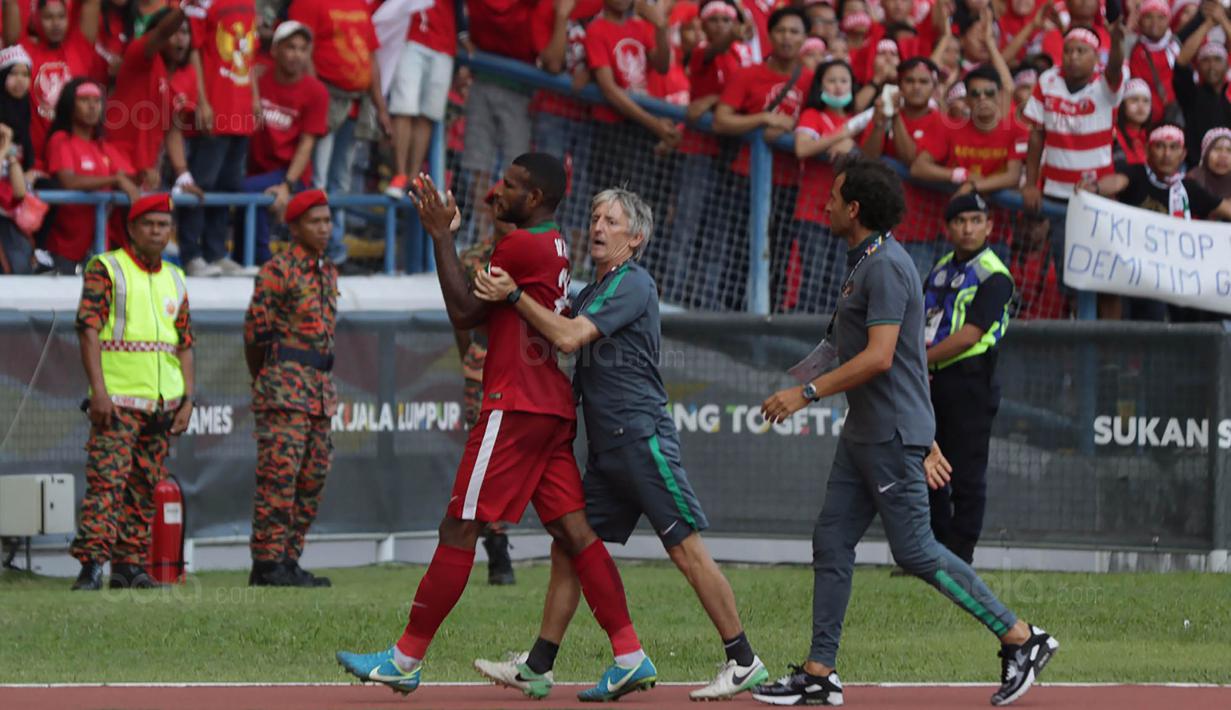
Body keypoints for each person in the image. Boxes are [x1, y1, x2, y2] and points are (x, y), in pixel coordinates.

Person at [336, 155, 654, 700]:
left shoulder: (520, 246)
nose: (496, 192)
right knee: (574, 535)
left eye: (509, 186)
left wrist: (439, 235)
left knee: (459, 526)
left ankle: (404, 659)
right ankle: (629, 653)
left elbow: (463, 311)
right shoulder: (553, 243)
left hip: (515, 404)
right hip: (549, 404)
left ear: (533, 198)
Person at [753, 158, 1058, 708]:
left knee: (916, 550)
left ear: (855, 209)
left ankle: (1021, 636)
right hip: (866, 432)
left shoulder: (886, 266)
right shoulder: (864, 261)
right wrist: (798, 384)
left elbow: (881, 356)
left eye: (833, 196)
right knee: (831, 540)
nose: (823, 204)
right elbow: (866, 352)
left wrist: (807, 394)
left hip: (888, 433)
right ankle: (821, 672)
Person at [469, 187, 768, 702]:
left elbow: (565, 338)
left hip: (641, 440)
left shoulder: (634, 283)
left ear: (637, 238)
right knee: (569, 548)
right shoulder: (594, 289)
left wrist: (514, 295)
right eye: (595, 218)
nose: (599, 228)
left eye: (611, 221)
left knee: (686, 550)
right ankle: (539, 665)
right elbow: (554, 327)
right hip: (610, 450)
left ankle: (743, 660)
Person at [68, 194, 194, 591]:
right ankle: (91, 566)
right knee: (107, 483)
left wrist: (188, 399)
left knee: (144, 486)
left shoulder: (176, 276)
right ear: (132, 229)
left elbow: (185, 341)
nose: (158, 231)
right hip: (118, 399)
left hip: (161, 402)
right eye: (149, 224)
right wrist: (99, 392)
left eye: (164, 225)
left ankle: (129, 567)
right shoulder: (107, 268)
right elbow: (88, 329)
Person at [242, 189, 338, 588]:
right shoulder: (277, 270)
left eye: (328, 221)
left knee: (313, 475)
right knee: (279, 476)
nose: (324, 228)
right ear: (295, 227)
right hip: (284, 387)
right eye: (315, 222)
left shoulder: (329, 271)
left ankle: (289, 558)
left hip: (318, 390)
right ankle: (267, 563)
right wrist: (266, 379)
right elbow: (254, 335)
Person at [922, 192, 1014, 565]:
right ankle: (934, 549)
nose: (968, 228)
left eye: (976, 221)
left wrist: (918, 360)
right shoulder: (941, 266)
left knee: (966, 468)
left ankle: (960, 555)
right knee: (928, 461)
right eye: (960, 221)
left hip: (970, 378)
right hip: (932, 377)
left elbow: (970, 335)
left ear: (989, 227)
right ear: (948, 228)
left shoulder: (995, 274)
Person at [1083, 124, 1231, 321]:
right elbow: (1117, 182)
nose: (1167, 154)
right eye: (1160, 146)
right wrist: (1094, 187)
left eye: (1173, 147)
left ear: (1183, 153)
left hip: (1165, 285)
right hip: (1126, 276)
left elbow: (1225, 209)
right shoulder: (1136, 174)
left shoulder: (1189, 189)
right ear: (1147, 150)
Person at [1022, 18, 1127, 289]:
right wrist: (1031, 183)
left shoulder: (1105, 84)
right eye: (1069, 50)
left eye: (1081, 51)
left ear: (1095, 56)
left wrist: (1116, 42)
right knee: (1065, 267)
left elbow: (1115, 69)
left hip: (1097, 194)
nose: (1073, 57)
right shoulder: (1047, 80)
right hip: (1056, 195)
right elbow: (1036, 134)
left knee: (1101, 277)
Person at [288, 0, 389, 272]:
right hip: (327, 98)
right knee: (317, 178)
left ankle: (336, 252)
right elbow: (303, 50)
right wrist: (316, 95)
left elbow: (371, 56)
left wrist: (381, 108)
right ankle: (315, 251)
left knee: (341, 180)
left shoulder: (359, 4)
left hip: (355, 103)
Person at [456, 185, 518, 587]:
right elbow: (461, 317)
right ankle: (497, 547)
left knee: (516, 464)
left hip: (523, 372)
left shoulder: (536, 256)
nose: (504, 215)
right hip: (484, 370)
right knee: (486, 462)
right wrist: (473, 358)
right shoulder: (474, 259)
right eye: (497, 207)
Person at [238, 20, 328, 266]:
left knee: (249, 191)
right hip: (256, 167)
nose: (297, 55)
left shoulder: (316, 91)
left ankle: (260, 262)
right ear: (275, 50)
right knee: (237, 187)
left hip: (290, 173)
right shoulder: (259, 76)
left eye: (302, 49)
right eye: (291, 47)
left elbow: (307, 144)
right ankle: (240, 257)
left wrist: (287, 185)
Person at [179, 0, 258, 276]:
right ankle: (191, 254)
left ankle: (216, 252)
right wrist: (201, 100)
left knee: (229, 185)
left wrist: (255, 97)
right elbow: (193, 52)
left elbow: (250, 54)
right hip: (215, 105)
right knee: (203, 184)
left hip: (241, 105)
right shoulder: (200, 3)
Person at [43, 78, 139, 274]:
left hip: (101, 247)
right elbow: (69, 181)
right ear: (71, 104)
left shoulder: (103, 146)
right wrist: (114, 179)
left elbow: (130, 179)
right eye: (84, 100)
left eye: (96, 101)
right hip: (64, 247)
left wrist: (146, 174)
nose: (92, 107)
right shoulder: (61, 140)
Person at [4, 0, 103, 169]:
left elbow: (91, 3)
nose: (56, 24)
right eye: (48, 17)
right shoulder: (22, 52)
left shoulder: (79, 48)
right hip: (33, 162)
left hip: (73, 161)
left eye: (61, 17)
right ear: (35, 19)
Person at [386, 0, 456, 197]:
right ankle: (399, 175)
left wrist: (464, 33)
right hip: (411, 35)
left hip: (444, 42)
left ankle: (413, 177)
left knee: (428, 114)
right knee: (404, 107)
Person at [1172, 3, 1231, 168]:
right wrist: (1208, 24)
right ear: (1198, 65)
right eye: (1205, 60)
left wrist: (1222, 19)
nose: (1211, 66)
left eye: (1217, 60)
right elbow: (1181, 62)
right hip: (1197, 170)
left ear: (1227, 65)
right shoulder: (1191, 93)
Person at [1112, 78, 1151, 171]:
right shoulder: (1113, 135)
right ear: (1122, 105)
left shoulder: (1152, 137)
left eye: (1146, 101)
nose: (1141, 106)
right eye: (1134, 100)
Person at [1189, 127, 1231, 200]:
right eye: (1217, 149)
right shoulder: (1192, 181)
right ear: (1205, 153)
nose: (1223, 156)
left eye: (1229, 150)